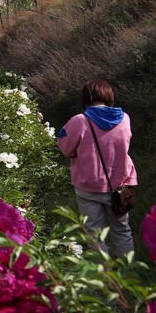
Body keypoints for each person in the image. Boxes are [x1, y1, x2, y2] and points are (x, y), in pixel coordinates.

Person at [57, 79, 137, 257]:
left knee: (94, 236)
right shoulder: (125, 119)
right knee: (122, 232)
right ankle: (127, 275)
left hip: (88, 187)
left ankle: (104, 278)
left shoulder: (79, 121)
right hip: (120, 186)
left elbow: (65, 148)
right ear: (109, 96)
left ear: (86, 97)